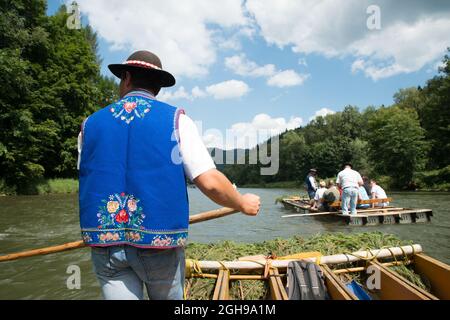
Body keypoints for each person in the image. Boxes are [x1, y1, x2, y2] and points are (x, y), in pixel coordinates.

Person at [77, 50, 260, 300]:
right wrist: (241, 203)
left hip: (105, 246)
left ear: (127, 77)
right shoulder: (176, 121)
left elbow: (91, 178)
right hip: (158, 247)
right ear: (158, 87)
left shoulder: (89, 125)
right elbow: (209, 182)